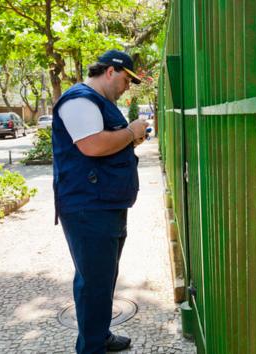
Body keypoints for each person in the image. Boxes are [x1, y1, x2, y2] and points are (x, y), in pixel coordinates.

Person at [52, 49, 149, 353]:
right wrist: (132, 132)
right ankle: (91, 347)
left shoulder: (100, 102)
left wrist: (131, 136)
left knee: (103, 278)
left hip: (105, 204)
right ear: (110, 72)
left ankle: (100, 335)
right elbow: (92, 145)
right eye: (126, 79)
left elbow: (108, 141)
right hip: (88, 208)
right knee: (94, 281)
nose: (128, 86)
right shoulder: (80, 99)